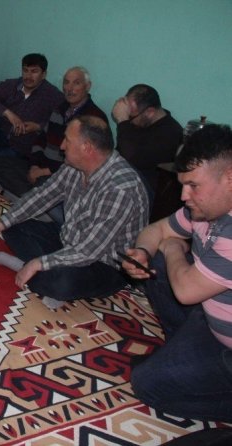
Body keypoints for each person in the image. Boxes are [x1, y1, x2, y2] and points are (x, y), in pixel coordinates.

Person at [121, 124, 232, 423]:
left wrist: (173, 248)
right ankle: (179, 350)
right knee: (156, 261)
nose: (184, 195)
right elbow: (155, 229)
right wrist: (142, 252)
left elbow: (186, 291)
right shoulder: (206, 208)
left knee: (148, 385)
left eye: (193, 185)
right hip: (210, 318)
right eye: (182, 184)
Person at [0, 116, 149, 309]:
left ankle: (32, 270)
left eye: (67, 140)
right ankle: (42, 273)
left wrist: (38, 263)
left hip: (104, 263)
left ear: (87, 147)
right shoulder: (75, 166)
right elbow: (42, 195)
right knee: (13, 227)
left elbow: (89, 250)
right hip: (70, 240)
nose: (61, 146)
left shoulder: (120, 189)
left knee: (62, 283)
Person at [0, 67, 108, 200]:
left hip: (62, 175)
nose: (69, 88)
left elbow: (82, 162)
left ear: (88, 86)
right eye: (66, 82)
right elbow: (41, 139)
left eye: (76, 83)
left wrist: (44, 172)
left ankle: (34, 197)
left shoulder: (94, 118)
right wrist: (34, 166)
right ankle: (35, 197)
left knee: (45, 183)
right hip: (41, 166)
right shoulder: (60, 109)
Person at [0, 53, 64, 169]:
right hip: (1, 133)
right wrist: (8, 113)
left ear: (43, 74)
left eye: (34, 71)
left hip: (21, 146)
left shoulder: (53, 95)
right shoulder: (13, 85)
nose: (28, 76)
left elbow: (64, 122)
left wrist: (38, 127)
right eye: (25, 70)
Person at [112, 84, 183, 194]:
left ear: (150, 112)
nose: (129, 121)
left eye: (130, 116)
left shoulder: (170, 134)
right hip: (124, 181)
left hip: (143, 191)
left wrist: (122, 120)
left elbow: (130, 159)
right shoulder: (143, 122)